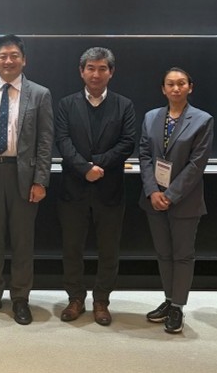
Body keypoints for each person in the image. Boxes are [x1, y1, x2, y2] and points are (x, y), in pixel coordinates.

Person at [0, 34, 53, 325]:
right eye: (3, 56)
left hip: (23, 176)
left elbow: (45, 142)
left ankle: (20, 298)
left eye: (14, 55)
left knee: (22, 241)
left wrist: (41, 181)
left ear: (23, 60)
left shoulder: (39, 94)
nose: (8, 61)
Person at [54, 47, 136, 326]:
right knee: (71, 248)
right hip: (73, 189)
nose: (96, 74)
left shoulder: (124, 105)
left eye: (102, 69)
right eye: (91, 68)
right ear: (81, 72)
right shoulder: (66, 104)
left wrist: (97, 165)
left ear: (111, 72)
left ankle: (102, 300)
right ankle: (75, 298)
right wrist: (84, 168)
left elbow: (127, 142)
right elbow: (62, 141)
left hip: (109, 189)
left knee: (109, 250)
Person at [138, 68, 213, 334]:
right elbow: (144, 156)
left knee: (182, 255)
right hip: (153, 198)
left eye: (181, 83)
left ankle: (178, 306)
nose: (176, 88)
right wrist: (152, 191)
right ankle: (169, 299)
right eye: (170, 84)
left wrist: (170, 195)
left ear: (190, 87)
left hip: (185, 200)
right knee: (163, 253)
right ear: (163, 89)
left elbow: (196, 164)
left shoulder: (203, 120)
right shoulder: (151, 117)